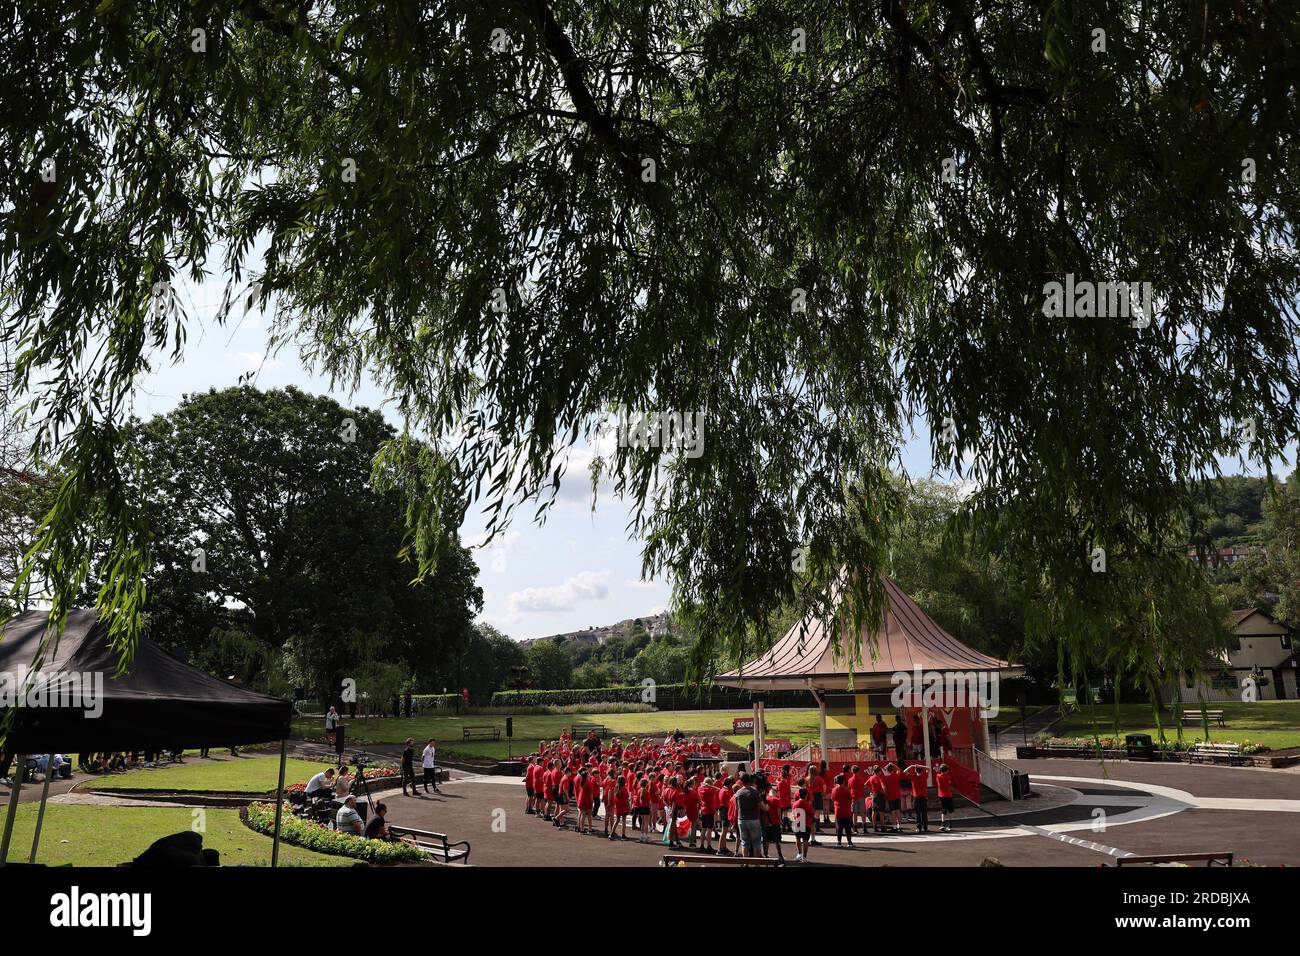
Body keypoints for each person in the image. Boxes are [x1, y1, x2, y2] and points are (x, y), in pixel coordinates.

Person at [733, 773, 766, 859]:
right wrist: (767, 807)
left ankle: (745, 861)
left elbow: (736, 808)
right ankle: (756, 863)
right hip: (753, 819)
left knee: (745, 842)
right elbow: (762, 806)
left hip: (742, 819)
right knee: (756, 842)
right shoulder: (755, 792)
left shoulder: (738, 793)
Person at [905, 762, 931, 833]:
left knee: (918, 813)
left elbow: (904, 771)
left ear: (915, 771)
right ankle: (925, 828)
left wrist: (912, 766)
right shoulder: (924, 776)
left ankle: (919, 828)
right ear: (922, 771)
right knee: (924, 813)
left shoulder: (913, 777)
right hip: (924, 797)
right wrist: (921, 766)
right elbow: (928, 768)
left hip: (916, 797)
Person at [792, 786, 814, 862]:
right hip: (806, 823)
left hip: (797, 822)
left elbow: (794, 814)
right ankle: (804, 857)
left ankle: (799, 853)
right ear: (806, 795)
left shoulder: (795, 804)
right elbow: (811, 814)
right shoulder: (807, 804)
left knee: (798, 839)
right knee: (805, 840)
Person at [935, 763, 955, 832]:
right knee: (950, 810)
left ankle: (943, 824)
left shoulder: (938, 776)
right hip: (948, 795)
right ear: (946, 771)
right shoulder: (948, 777)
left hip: (941, 795)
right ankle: (950, 824)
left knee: (943, 811)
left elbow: (937, 774)